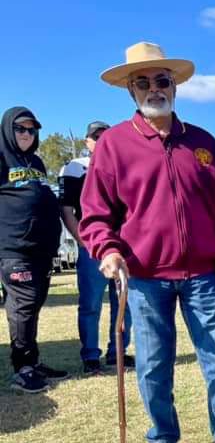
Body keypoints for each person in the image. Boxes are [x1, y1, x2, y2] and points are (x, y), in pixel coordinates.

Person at [79, 42, 215, 443]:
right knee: (154, 363)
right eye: (143, 82)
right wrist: (107, 250)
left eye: (162, 81)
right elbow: (95, 213)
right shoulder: (114, 146)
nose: (154, 89)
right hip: (143, 277)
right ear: (131, 92)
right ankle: (162, 436)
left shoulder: (203, 143)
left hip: (203, 275)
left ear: (174, 86)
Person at [0, 107, 69, 392]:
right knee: (23, 306)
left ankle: (33, 360)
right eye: (21, 129)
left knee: (35, 304)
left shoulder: (37, 162)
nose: (27, 134)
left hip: (42, 250)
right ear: (8, 130)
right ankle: (22, 368)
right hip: (15, 248)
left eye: (32, 129)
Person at [59, 121, 133, 375]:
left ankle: (118, 353)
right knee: (91, 304)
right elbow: (67, 210)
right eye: (95, 137)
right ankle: (91, 355)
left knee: (123, 301)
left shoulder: (123, 161)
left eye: (105, 135)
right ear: (87, 141)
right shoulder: (75, 167)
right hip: (93, 247)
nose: (100, 140)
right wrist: (86, 243)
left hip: (123, 246)